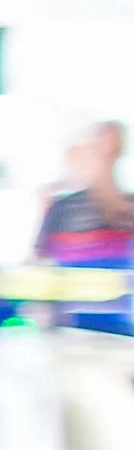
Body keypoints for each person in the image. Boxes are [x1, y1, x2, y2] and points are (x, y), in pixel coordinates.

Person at [38, 121, 134, 336]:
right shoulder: (62, 207)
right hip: (70, 326)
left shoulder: (129, 208)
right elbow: (41, 262)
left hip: (120, 328)